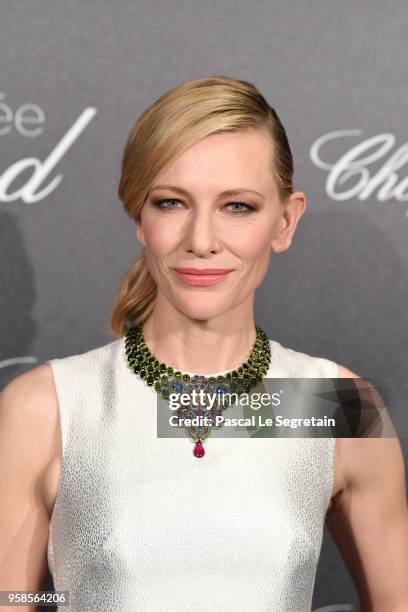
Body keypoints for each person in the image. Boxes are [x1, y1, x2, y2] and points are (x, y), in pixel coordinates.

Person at [0, 75, 407, 612]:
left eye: (237, 206)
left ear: (284, 222)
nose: (201, 241)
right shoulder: (47, 406)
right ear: (140, 218)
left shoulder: (336, 405)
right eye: (171, 203)